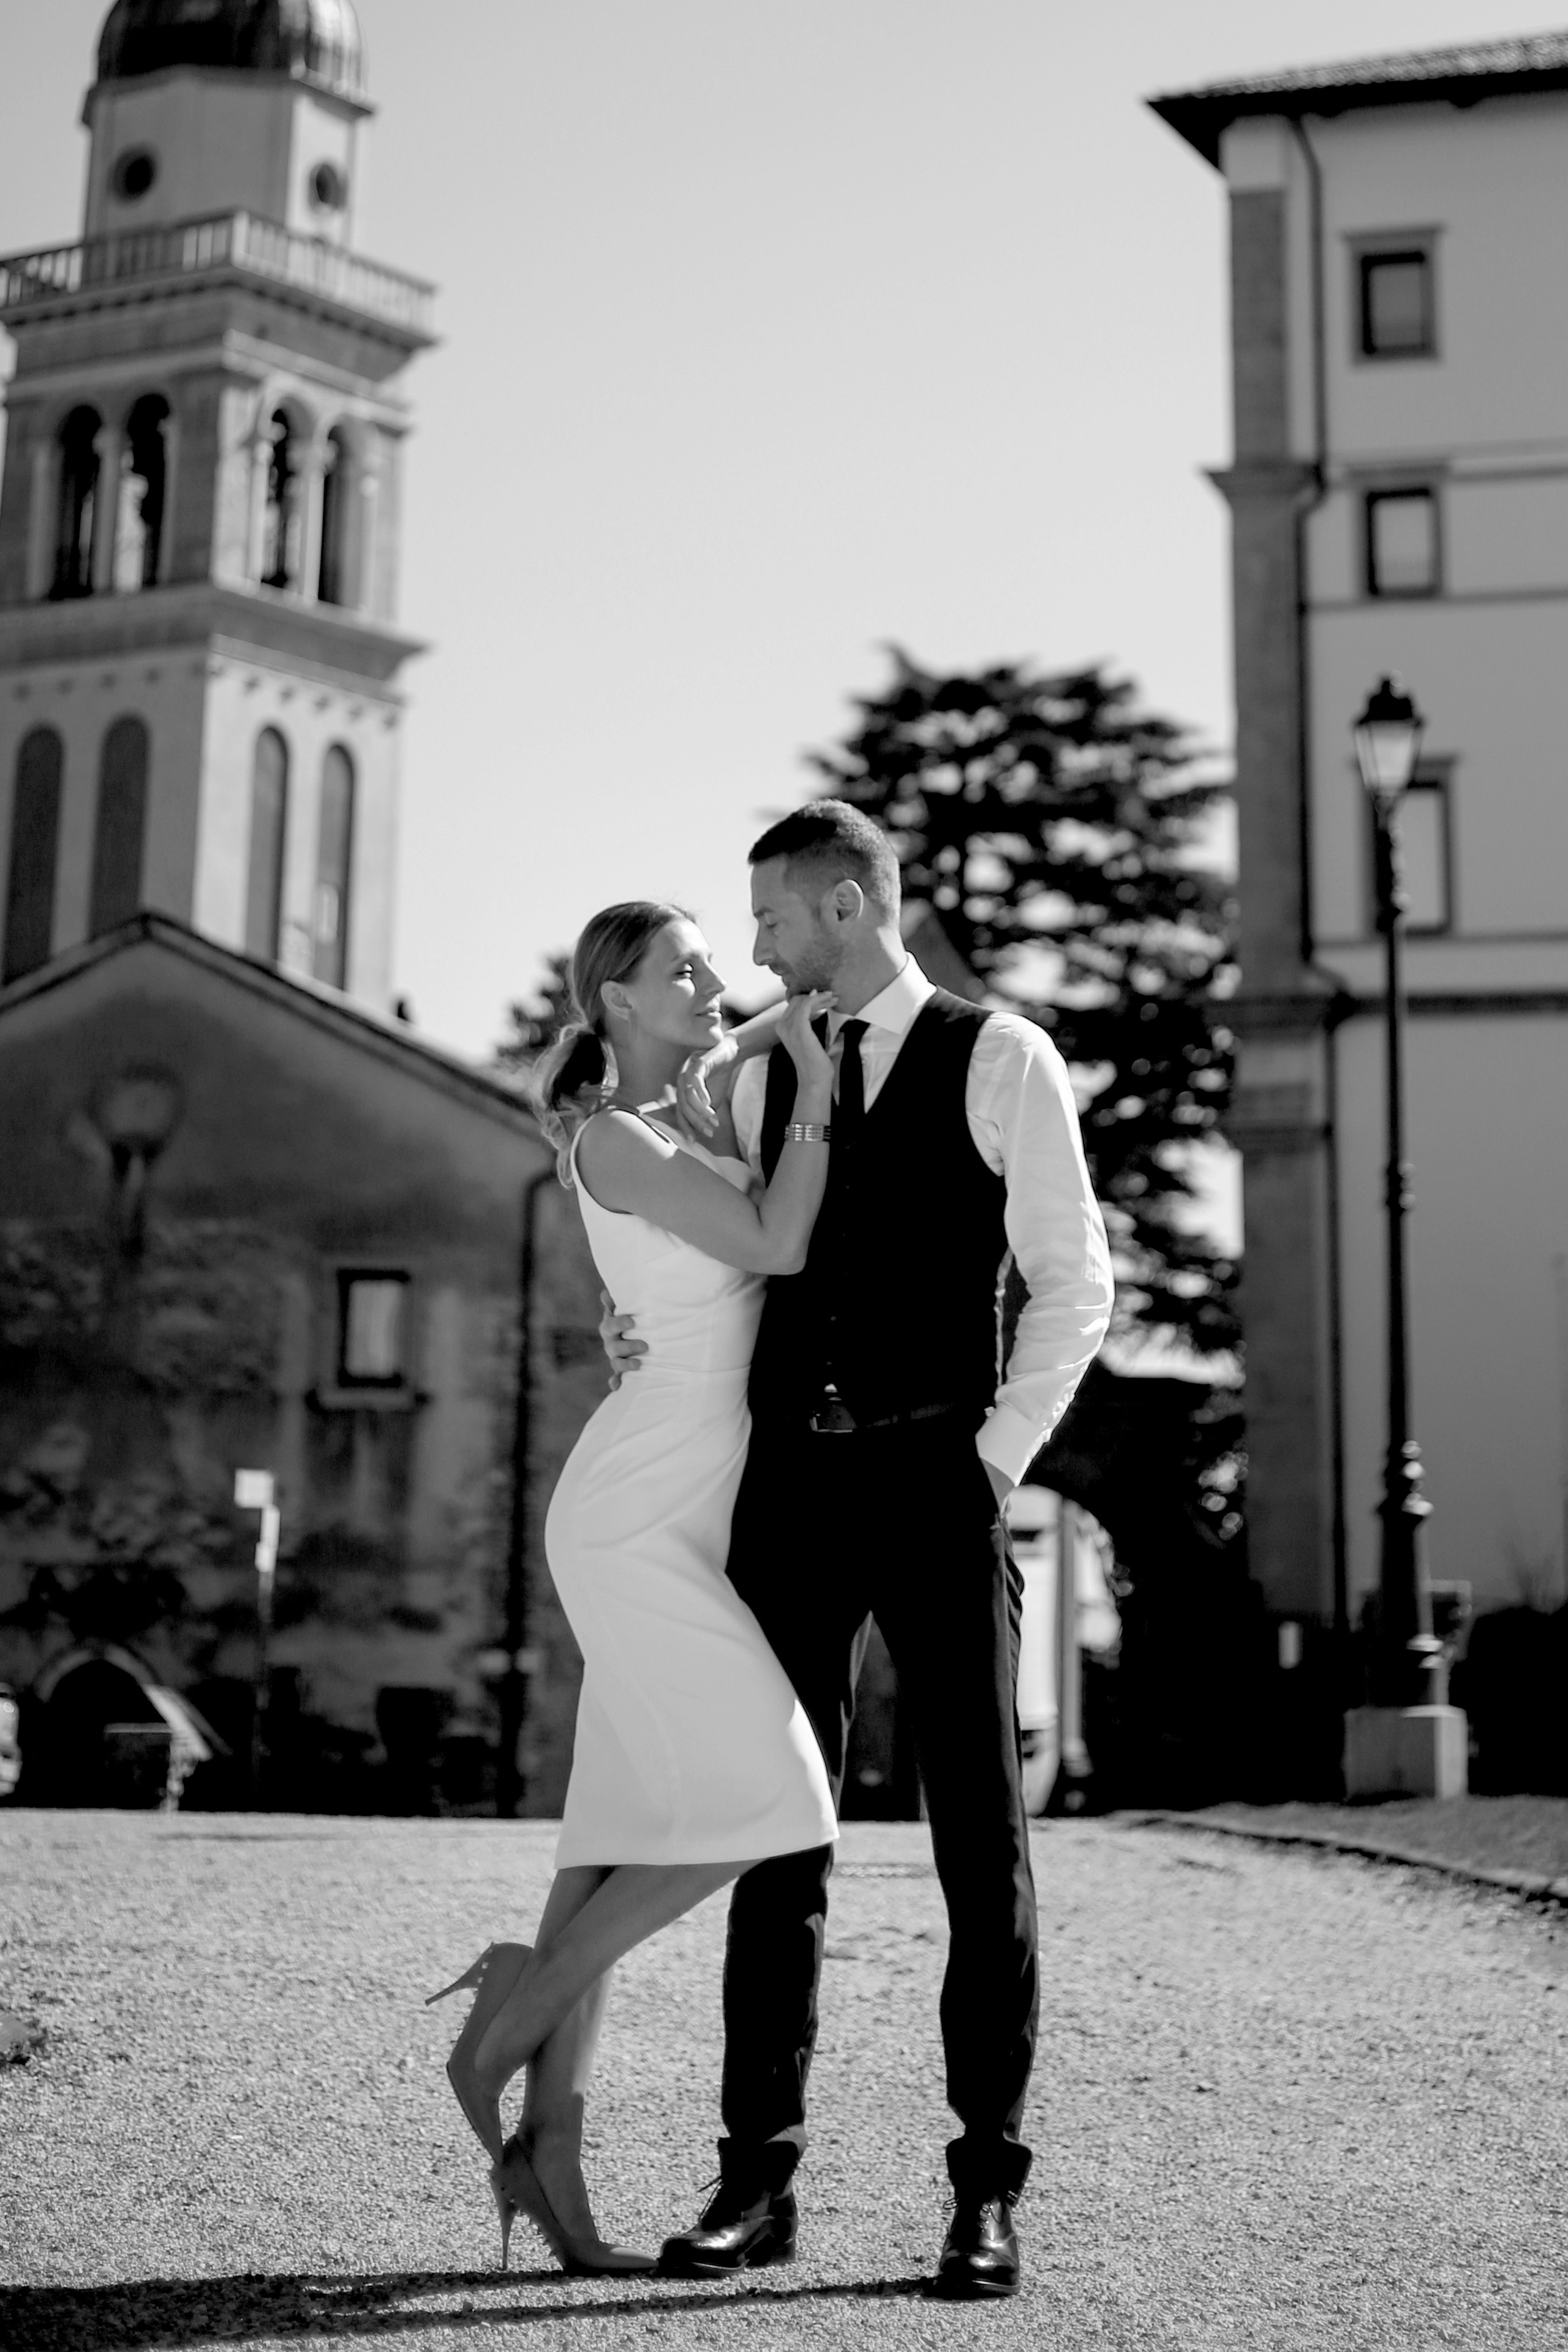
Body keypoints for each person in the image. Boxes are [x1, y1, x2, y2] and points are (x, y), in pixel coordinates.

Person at [605, 803, 1114, 2299]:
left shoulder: (1002, 1055)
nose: (749, 948)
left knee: (977, 1835)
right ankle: (754, 2179)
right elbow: (711, 1240)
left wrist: (990, 1458)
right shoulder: (760, 1068)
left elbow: (1073, 1283)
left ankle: (983, 2191)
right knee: (777, 1830)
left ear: (841, 908)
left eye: (764, 920)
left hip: (937, 1478)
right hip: (793, 1494)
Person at [429, 900, 840, 2276]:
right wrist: (823, 1104)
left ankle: (550, 2145)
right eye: (682, 970)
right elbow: (777, 1247)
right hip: (633, 1513)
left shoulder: (697, 1106)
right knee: (782, 1795)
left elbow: (809, 1002)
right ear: (612, 1000)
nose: (716, 981)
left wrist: (815, 1009)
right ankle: (511, 2019)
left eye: (714, 962)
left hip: (683, 1504)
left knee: (608, 1837)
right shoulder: (617, 1135)